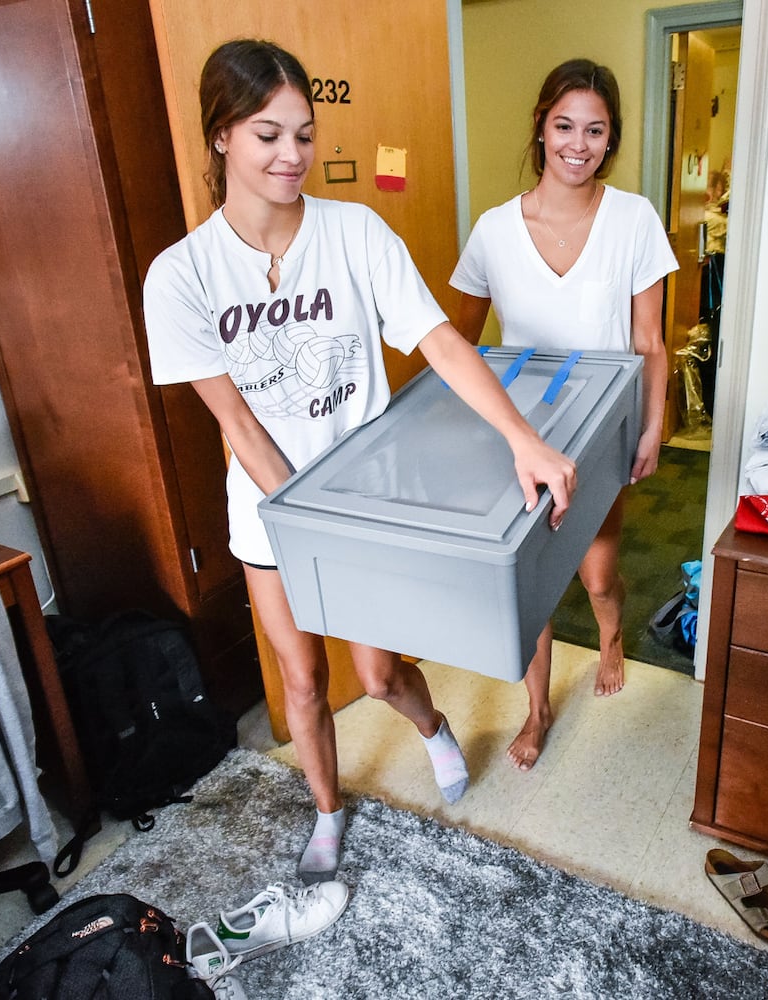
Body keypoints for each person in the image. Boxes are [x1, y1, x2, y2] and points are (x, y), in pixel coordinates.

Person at [143, 39, 577, 887]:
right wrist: (311, 526)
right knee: (303, 683)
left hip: (371, 498)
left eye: (303, 134)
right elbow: (236, 421)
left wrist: (521, 436)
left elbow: (441, 342)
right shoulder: (180, 276)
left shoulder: (354, 232)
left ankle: (434, 728)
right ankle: (328, 812)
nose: (291, 156)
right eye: (267, 134)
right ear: (221, 135)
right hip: (273, 514)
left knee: (376, 674)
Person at [450, 58, 676, 771]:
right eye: (564, 126)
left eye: (595, 130)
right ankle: (537, 710)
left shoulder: (633, 218)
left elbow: (649, 341)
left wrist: (652, 424)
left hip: (600, 430)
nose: (577, 144)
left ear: (610, 140)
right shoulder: (492, 230)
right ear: (541, 130)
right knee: (530, 585)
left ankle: (610, 640)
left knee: (596, 575)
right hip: (523, 435)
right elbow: (459, 346)